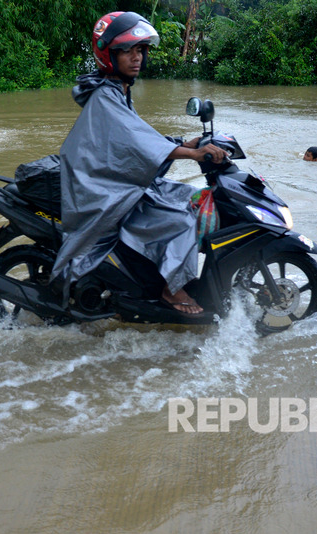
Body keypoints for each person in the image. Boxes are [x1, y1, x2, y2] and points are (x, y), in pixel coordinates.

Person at [50, 11, 227, 315]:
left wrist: (182, 144)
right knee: (182, 217)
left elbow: (138, 136)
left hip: (109, 180)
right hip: (101, 192)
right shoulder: (107, 96)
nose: (136, 58)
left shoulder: (117, 91)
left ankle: (160, 272)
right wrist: (195, 154)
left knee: (189, 197)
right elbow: (139, 143)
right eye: (127, 51)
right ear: (109, 55)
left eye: (140, 51)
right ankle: (171, 291)